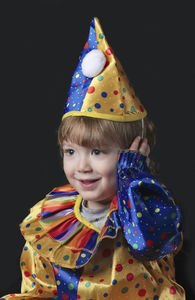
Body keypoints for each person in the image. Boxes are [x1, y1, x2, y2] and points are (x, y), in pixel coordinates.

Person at [1, 17, 185, 299]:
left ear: (130, 154)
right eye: (71, 152)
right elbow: (39, 290)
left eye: (98, 152)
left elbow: (153, 243)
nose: (82, 166)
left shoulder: (141, 214)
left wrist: (133, 179)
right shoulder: (49, 220)